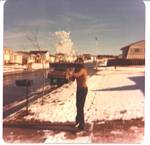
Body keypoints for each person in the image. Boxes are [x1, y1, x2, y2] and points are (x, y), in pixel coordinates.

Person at [68, 58, 88, 130]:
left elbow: (77, 75)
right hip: (79, 89)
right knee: (77, 105)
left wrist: (72, 73)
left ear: (81, 63)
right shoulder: (76, 70)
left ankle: (82, 124)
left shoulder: (83, 69)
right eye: (76, 62)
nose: (76, 64)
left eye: (78, 62)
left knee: (81, 107)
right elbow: (73, 79)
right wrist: (69, 75)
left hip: (83, 89)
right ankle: (77, 121)